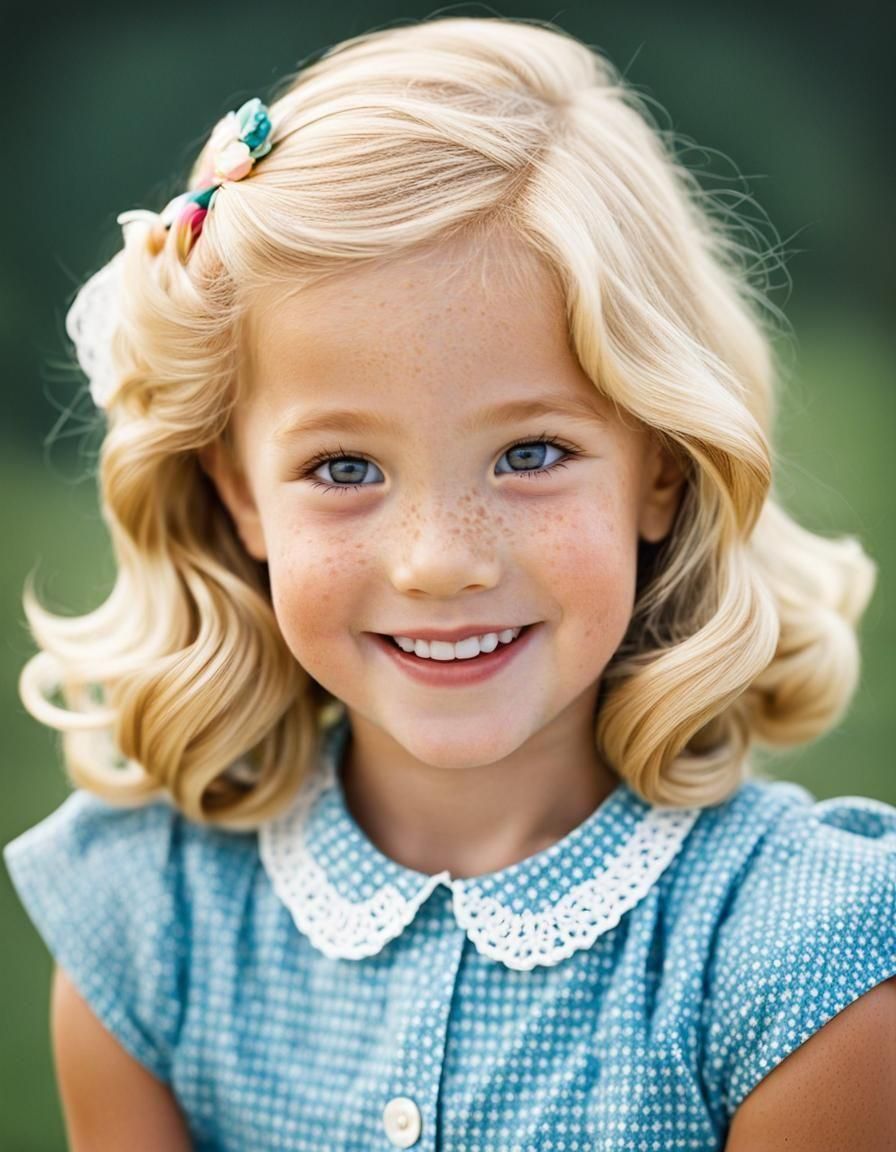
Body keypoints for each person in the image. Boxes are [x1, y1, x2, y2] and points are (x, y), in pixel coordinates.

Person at [4, 15, 894, 1152]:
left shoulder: (796, 964)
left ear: (659, 472)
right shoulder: (146, 930)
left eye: (528, 454)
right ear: (238, 495)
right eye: (342, 467)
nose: (439, 559)